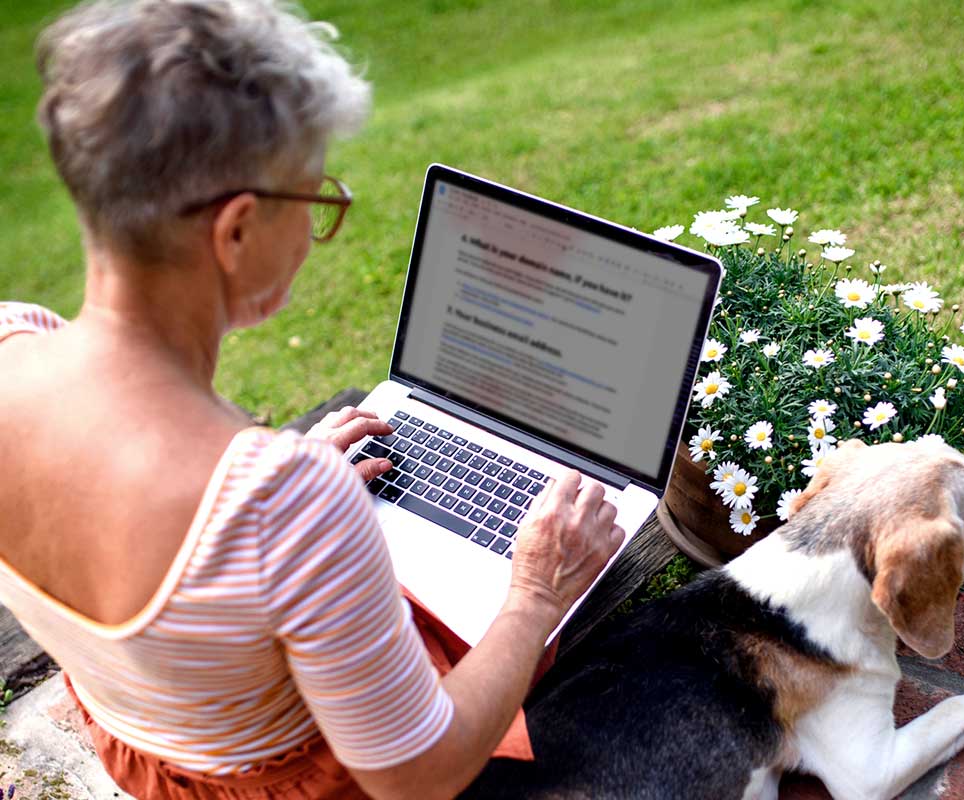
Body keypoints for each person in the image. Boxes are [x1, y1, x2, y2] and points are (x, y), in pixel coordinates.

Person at [0, 1, 623, 798]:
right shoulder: (286, 504)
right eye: (316, 199)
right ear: (235, 232)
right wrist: (537, 594)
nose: (319, 224)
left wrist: (269, 504)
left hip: (151, 740)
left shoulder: (16, 342)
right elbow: (417, 775)